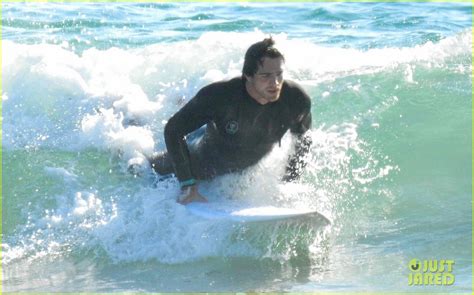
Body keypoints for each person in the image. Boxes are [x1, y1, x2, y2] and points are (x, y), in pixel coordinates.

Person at [149, 37, 313, 205]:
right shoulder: (221, 97)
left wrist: (289, 182)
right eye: (265, 76)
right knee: (150, 169)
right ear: (248, 75)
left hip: (235, 157)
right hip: (201, 163)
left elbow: (303, 138)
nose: (275, 83)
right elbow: (172, 130)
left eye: (279, 74)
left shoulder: (296, 101)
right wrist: (188, 184)